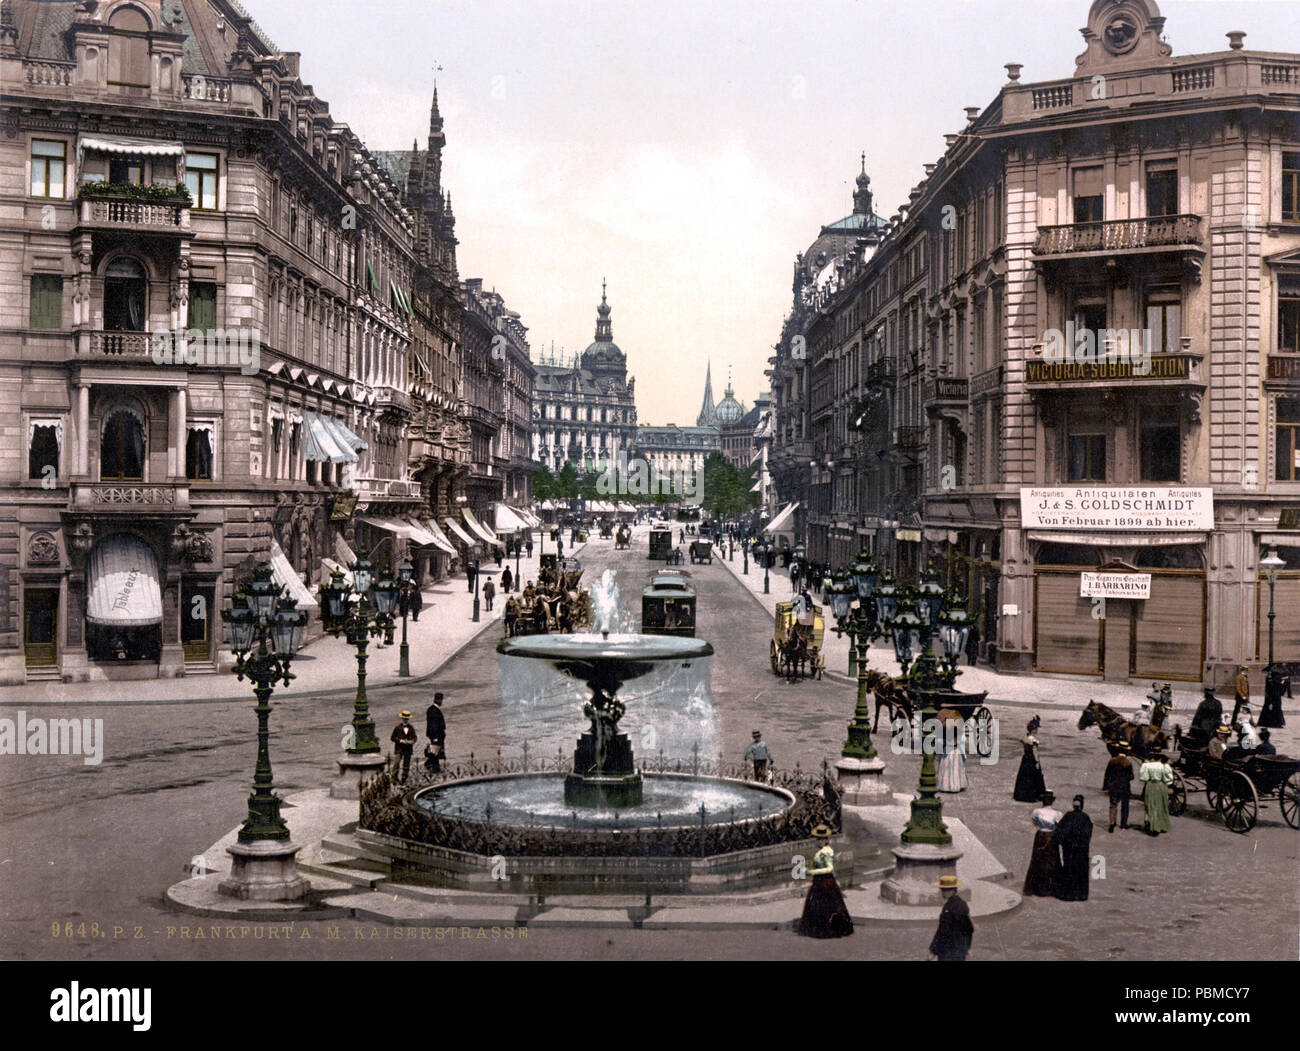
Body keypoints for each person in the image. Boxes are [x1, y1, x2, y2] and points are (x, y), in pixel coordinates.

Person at [797, 824, 854, 939]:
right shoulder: (822, 851)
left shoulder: (826, 852)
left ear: (826, 840)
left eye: (821, 839)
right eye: (817, 839)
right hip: (820, 881)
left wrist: (813, 872)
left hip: (825, 880)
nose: (818, 842)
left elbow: (829, 868)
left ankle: (826, 929)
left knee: (826, 905)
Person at [1053, 795, 1093, 901]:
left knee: (1069, 870)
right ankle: (1081, 895)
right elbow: (1088, 834)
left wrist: (1062, 843)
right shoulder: (1086, 817)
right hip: (1082, 849)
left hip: (1070, 849)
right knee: (1081, 871)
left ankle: (1068, 894)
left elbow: (1061, 832)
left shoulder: (1068, 816)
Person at [1024, 791, 1063, 897]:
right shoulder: (1058, 813)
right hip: (1051, 836)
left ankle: (1037, 888)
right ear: (1052, 801)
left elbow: (1034, 822)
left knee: (1037, 859)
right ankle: (1053, 889)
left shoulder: (1036, 811)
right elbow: (1060, 826)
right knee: (1053, 860)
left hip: (1040, 835)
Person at [929, 875, 973, 961]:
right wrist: (966, 948)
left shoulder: (951, 907)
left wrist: (934, 951)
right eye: (942, 889)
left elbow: (943, 932)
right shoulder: (960, 904)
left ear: (952, 890)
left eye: (944, 890)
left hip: (950, 951)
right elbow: (969, 929)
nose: (942, 892)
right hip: (956, 950)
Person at [1139, 751, 1174, 836]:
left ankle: (1152, 826)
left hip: (1150, 785)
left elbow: (1143, 778)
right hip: (1160, 786)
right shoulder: (1164, 766)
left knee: (1150, 805)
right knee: (1160, 805)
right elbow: (1169, 780)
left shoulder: (1147, 766)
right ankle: (1160, 825)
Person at [1013, 716, 1047, 802]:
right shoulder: (1033, 740)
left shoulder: (1026, 738)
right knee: (1035, 776)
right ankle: (1035, 794)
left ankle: (1022, 794)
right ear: (1034, 730)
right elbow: (1035, 752)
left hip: (1025, 759)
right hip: (1032, 759)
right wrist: (1037, 762)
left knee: (1024, 777)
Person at [1103, 743, 1134, 832]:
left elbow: (1107, 775)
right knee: (1125, 806)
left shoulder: (1112, 760)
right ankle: (1123, 824)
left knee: (1113, 805)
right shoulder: (1128, 763)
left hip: (1113, 787)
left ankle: (1112, 823)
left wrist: (1106, 788)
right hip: (1125, 788)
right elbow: (1131, 777)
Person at [936, 709, 968, 793]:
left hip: (946, 751)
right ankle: (956, 785)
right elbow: (962, 741)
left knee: (946, 769)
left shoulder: (945, 733)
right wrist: (964, 755)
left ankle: (946, 786)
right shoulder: (959, 734)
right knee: (956, 769)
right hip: (956, 752)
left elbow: (940, 742)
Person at [390, 710, 418, 783]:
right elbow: (392, 738)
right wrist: (401, 741)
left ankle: (404, 779)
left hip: (408, 749)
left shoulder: (411, 728)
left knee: (406, 765)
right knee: (396, 764)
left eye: (407, 719)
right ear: (402, 718)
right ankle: (394, 779)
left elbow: (415, 737)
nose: (406, 720)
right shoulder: (397, 727)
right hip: (399, 748)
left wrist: (412, 741)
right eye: (404, 719)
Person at [424, 695, 446, 774]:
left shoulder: (434, 709)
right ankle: (433, 767)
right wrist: (435, 737)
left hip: (437, 734)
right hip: (436, 735)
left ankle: (433, 766)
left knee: (436, 751)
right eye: (440, 700)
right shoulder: (433, 710)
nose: (441, 702)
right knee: (435, 752)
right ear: (437, 700)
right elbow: (434, 724)